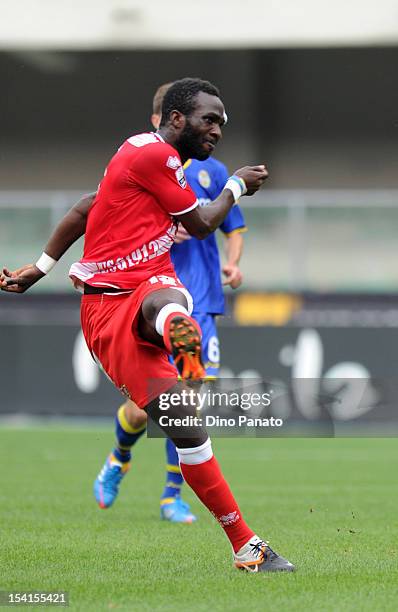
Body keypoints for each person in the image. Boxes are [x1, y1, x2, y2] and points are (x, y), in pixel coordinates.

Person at [1, 77, 294, 572]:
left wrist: (41, 266)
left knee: (190, 429)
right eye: (209, 119)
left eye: (222, 122)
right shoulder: (151, 154)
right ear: (176, 119)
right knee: (176, 375)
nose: (218, 130)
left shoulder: (158, 163)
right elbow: (202, 223)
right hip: (106, 308)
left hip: (152, 283)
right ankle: (176, 346)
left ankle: (245, 546)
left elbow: (83, 208)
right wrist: (237, 186)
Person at [92, 82, 248, 523]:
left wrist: (233, 263)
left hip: (201, 302)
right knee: (145, 408)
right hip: (152, 300)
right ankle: (119, 458)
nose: (212, 129)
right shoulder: (145, 166)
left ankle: (170, 496)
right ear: (164, 121)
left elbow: (230, 226)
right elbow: (98, 210)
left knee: (190, 402)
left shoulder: (211, 171)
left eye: (217, 122)